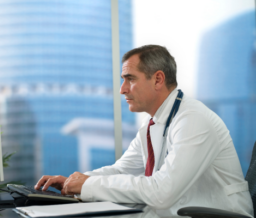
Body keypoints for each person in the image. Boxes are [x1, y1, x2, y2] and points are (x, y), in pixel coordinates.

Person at [35, 45, 253, 216]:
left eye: (130, 79)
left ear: (158, 79)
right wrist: (75, 181)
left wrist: (88, 185)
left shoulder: (193, 120)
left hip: (214, 214)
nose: (122, 90)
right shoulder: (151, 126)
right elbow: (122, 170)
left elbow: (162, 192)